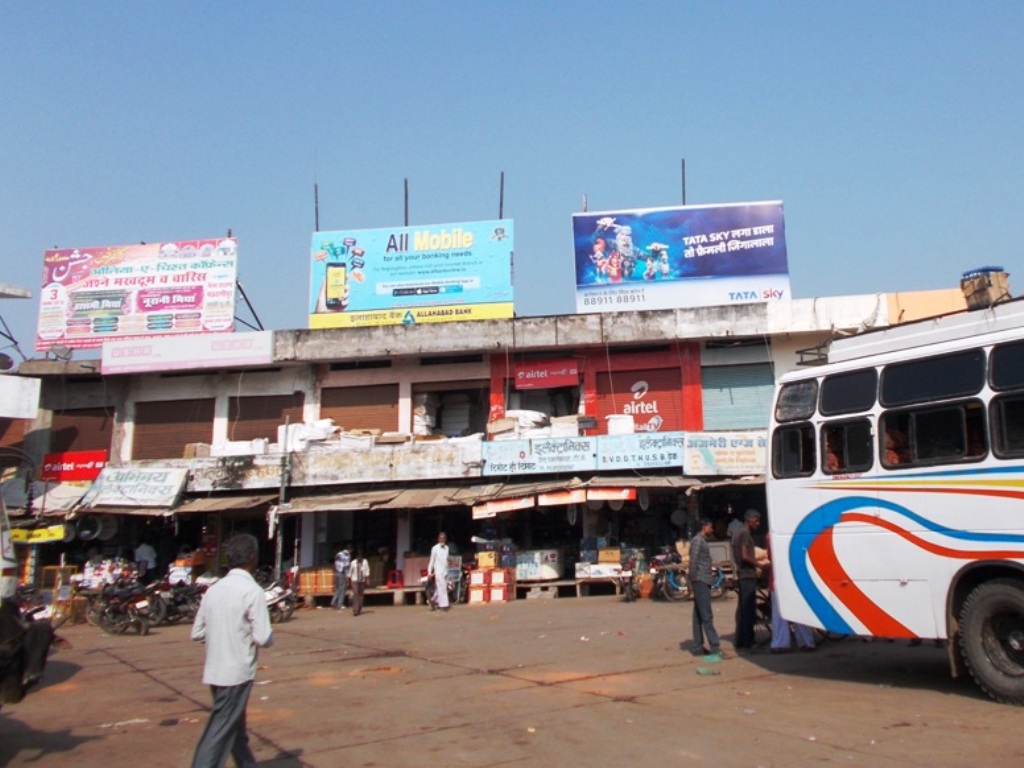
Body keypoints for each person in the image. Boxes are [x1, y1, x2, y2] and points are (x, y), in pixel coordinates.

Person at [190, 533, 274, 768]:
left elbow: (197, 632)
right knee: (219, 730)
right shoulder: (252, 591)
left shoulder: (214, 590)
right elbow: (263, 636)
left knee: (234, 728)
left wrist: (222, 632)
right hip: (236, 673)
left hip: (215, 670)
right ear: (252, 557)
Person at [765, 532, 815, 653]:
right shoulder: (795, 532)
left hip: (779, 578)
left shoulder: (770, 535)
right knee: (799, 611)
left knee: (779, 614)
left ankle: (780, 643)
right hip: (794, 577)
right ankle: (806, 642)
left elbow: (771, 556)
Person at [687, 518, 725, 661]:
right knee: (707, 616)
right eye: (710, 527)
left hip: (702, 580)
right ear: (704, 527)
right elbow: (694, 561)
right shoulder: (698, 541)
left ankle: (697, 646)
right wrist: (693, 579)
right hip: (700, 580)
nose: (712, 530)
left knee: (698, 615)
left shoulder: (701, 541)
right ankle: (715, 645)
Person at [732, 509, 762, 651]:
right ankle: (750, 642)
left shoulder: (737, 532)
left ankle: (740, 640)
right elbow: (744, 556)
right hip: (747, 574)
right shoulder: (744, 533)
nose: (758, 523)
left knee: (743, 610)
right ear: (749, 520)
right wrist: (760, 565)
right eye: (756, 520)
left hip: (742, 573)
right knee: (749, 611)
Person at [427, 532, 450, 612]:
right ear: (438, 539)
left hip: (445, 571)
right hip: (438, 571)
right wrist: (429, 572)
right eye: (441, 538)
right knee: (442, 588)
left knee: (441, 589)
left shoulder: (447, 548)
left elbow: (446, 559)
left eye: (444, 538)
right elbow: (432, 561)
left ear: (445, 539)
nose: (442, 540)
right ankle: (443, 605)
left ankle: (432, 600)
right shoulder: (435, 548)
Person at [348, 550, 370, 616]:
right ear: (356, 557)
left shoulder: (365, 562)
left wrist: (367, 579)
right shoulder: (353, 563)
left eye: (361, 557)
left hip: (362, 581)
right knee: (356, 594)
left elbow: (367, 571)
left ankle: (359, 608)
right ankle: (355, 610)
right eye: (358, 557)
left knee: (361, 595)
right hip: (355, 580)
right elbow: (350, 572)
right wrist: (348, 581)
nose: (360, 558)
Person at [332, 543, 351, 611]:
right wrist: (347, 577)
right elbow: (346, 567)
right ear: (350, 549)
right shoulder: (347, 555)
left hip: (336, 572)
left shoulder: (338, 554)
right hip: (342, 573)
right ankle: (340, 604)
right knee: (342, 589)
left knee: (337, 588)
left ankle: (334, 601)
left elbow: (335, 564)